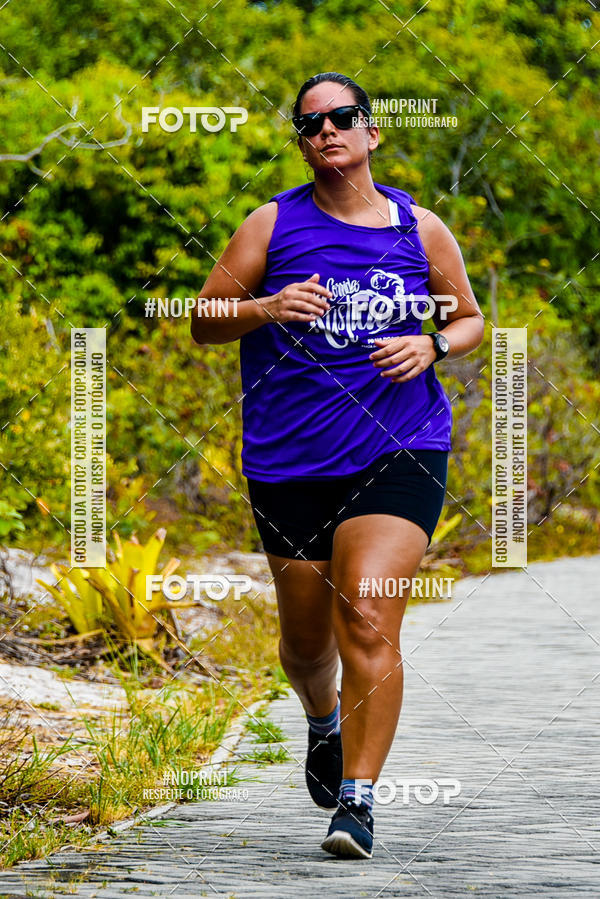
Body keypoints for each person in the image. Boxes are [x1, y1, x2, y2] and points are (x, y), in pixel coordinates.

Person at [191, 71, 484, 859]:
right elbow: (203, 318)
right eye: (310, 123)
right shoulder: (271, 222)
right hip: (291, 460)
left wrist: (432, 343)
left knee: (367, 611)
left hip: (401, 444)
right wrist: (265, 306)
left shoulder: (421, 228)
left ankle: (357, 801)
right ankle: (322, 719)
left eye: (342, 117)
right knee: (306, 644)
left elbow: (469, 318)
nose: (326, 130)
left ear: (371, 132)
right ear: (302, 142)